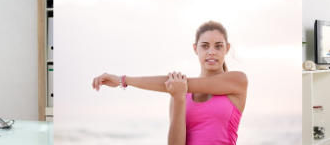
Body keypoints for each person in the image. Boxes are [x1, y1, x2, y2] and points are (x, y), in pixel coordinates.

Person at [92, 21, 248, 144]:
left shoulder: (237, 81)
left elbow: (172, 84)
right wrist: (179, 99)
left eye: (218, 46)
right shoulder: (178, 91)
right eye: (205, 46)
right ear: (195, 48)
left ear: (227, 48)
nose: (211, 51)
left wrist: (122, 80)